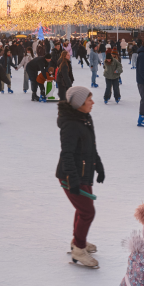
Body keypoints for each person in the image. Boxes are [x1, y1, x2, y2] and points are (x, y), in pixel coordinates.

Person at [56, 86, 104, 268]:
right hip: (71, 175)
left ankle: (77, 240)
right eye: (89, 100)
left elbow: (91, 146)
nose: (92, 102)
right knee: (87, 212)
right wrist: (73, 180)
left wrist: (98, 165)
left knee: (83, 209)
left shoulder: (84, 118)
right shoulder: (70, 125)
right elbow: (66, 154)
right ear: (79, 104)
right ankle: (78, 250)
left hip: (84, 172)